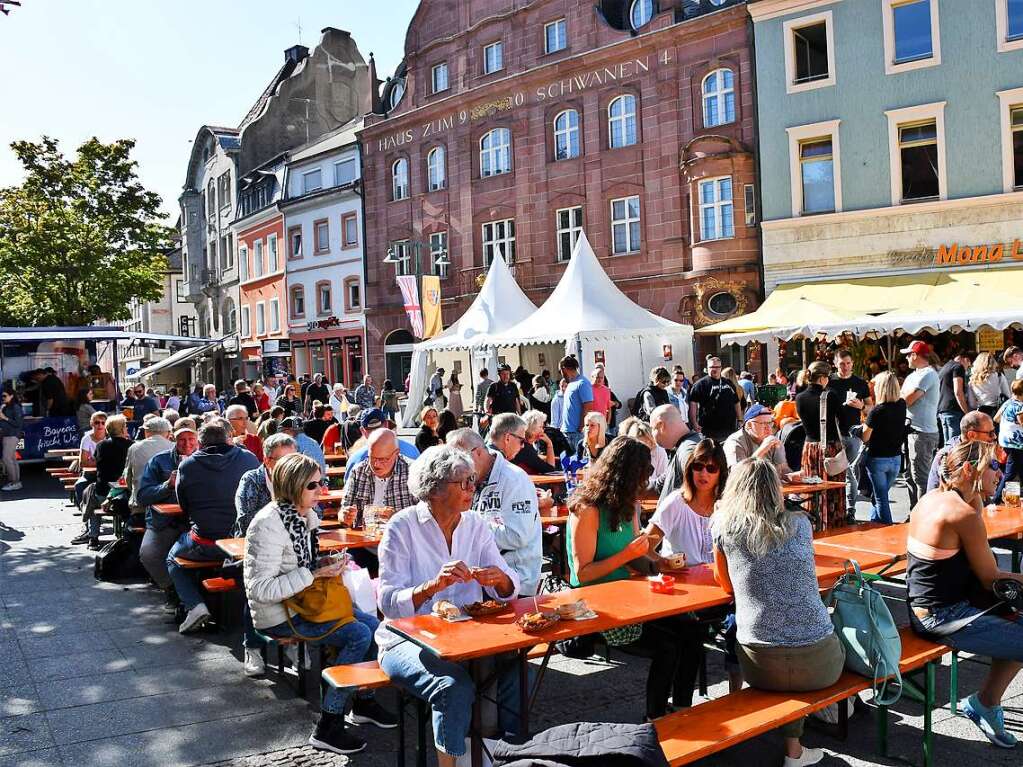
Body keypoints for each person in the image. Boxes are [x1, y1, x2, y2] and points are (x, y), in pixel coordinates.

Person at [376, 445, 520, 767]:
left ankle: (500, 748)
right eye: (465, 482)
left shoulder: (475, 524)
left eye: (473, 480)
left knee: (512, 659)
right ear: (436, 488)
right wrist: (432, 586)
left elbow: (509, 588)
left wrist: (499, 579)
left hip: (463, 635)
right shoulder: (402, 526)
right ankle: (452, 763)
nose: (473, 488)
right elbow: (387, 603)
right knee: (453, 686)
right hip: (405, 639)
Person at [245, 452, 395, 754]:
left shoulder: (303, 516)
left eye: (322, 483)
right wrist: (314, 571)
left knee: (374, 626)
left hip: (307, 601)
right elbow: (260, 588)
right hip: (279, 613)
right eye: (314, 485)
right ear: (294, 485)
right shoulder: (268, 525)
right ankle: (328, 724)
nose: (322, 491)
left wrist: (326, 564)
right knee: (359, 635)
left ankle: (362, 701)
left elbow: (303, 567)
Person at [713, 458, 846, 767]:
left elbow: (726, 587)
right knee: (818, 630)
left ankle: (794, 747)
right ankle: (798, 747)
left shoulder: (725, 531)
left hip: (758, 665)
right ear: (775, 489)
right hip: (820, 665)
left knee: (774, 650)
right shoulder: (801, 524)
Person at [567, 436, 705, 716]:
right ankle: (655, 718)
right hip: (595, 605)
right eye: (641, 478)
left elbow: (639, 559)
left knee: (692, 629)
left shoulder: (625, 505)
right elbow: (583, 575)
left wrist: (662, 564)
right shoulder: (588, 510)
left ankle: (681, 709)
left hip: (629, 597)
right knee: (667, 647)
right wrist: (628, 556)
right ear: (625, 476)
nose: (644, 485)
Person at [907, 440, 1023, 749]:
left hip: (928, 608)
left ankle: (985, 704)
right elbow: (990, 578)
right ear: (970, 469)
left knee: (1019, 621)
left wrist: (976, 496)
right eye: (994, 467)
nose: (999, 475)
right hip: (942, 617)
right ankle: (985, 703)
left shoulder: (933, 498)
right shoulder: (961, 513)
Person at [169, 418, 260, 633]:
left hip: (206, 543)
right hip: (242, 543)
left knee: (172, 558)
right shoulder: (248, 458)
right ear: (229, 439)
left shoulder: (187, 465)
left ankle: (195, 605)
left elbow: (184, 505)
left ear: (200, 443)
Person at [450, 420, 543, 595]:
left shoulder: (514, 479)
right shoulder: (471, 477)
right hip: (478, 581)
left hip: (516, 581)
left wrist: (469, 525)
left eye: (460, 461)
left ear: (477, 453)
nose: (457, 469)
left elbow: (517, 536)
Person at [137, 425, 199, 610]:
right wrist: (166, 485)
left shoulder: (205, 459)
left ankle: (197, 594)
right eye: (182, 439)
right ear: (173, 438)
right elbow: (143, 496)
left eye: (191, 438)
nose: (187, 443)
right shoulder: (159, 461)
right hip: (164, 522)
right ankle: (171, 587)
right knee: (148, 554)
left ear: (198, 439)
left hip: (195, 521)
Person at [647, 438, 728, 567]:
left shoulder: (728, 506)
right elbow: (645, 548)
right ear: (690, 469)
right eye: (698, 466)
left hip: (718, 583)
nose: (703, 473)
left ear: (720, 473)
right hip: (681, 583)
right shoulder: (675, 503)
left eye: (711, 468)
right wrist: (667, 564)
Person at [795, 361, 845, 530]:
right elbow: (843, 421)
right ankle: (832, 524)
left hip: (809, 448)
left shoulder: (799, 398)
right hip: (830, 447)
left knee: (811, 487)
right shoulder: (830, 396)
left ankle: (812, 524)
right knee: (832, 488)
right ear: (823, 378)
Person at [827, 349, 872, 521]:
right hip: (832, 433)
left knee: (851, 473)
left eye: (848, 363)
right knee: (831, 471)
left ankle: (850, 509)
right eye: (841, 364)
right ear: (835, 364)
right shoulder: (829, 381)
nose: (845, 367)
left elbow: (871, 407)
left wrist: (861, 406)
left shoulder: (860, 383)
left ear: (852, 363)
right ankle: (833, 508)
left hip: (853, 432)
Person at [340, 429, 416, 531]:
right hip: (365, 542)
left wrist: (397, 517)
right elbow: (343, 511)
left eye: (383, 459)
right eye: (372, 458)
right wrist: (345, 517)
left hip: (403, 542)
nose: (376, 464)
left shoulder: (413, 471)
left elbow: (426, 514)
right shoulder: (358, 471)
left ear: (396, 453)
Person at [77, 414, 133, 549]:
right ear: (122, 429)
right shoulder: (132, 446)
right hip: (125, 492)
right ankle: (128, 534)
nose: (127, 428)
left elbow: (95, 463)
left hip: (104, 491)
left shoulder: (101, 446)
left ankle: (93, 537)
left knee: (93, 497)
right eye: (125, 426)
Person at [860, 371, 908, 524]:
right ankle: (875, 522)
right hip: (896, 458)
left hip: (878, 458)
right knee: (880, 494)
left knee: (881, 498)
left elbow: (865, 436)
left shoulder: (877, 411)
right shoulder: (901, 405)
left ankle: (887, 528)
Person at [234, 433, 298, 537]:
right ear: (267, 461)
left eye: (294, 460)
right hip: (255, 544)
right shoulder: (251, 480)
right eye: (284, 461)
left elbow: (316, 513)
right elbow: (245, 522)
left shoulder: (297, 479)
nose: (291, 466)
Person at [901, 340, 941, 505]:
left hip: (921, 432)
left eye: (908, 355)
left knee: (921, 477)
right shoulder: (915, 375)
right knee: (910, 475)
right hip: (912, 430)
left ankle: (924, 515)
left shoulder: (928, 374)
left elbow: (907, 399)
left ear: (915, 355)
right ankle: (914, 512)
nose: (906, 359)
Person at [722, 402, 799, 481]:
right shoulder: (735, 442)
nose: (769, 428)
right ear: (749, 425)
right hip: (742, 491)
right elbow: (738, 476)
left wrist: (796, 476)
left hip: (768, 488)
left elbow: (783, 470)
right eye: (764, 424)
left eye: (770, 423)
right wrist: (763, 449)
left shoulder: (773, 441)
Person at [927, 410, 997, 493]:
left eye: (994, 432)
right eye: (990, 433)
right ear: (971, 435)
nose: (994, 436)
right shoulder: (951, 456)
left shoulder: (979, 449)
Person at [343, 409, 419, 481]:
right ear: (386, 425)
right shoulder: (411, 449)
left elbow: (348, 489)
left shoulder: (356, 459)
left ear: (363, 431)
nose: (377, 434)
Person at [651, 404, 702, 502]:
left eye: (652, 428)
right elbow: (659, 486)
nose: (652, 435)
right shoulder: (682, 447)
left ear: (660, 425)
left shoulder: (688, 449)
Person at [124, 416, 173, 517]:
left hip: (141, 507)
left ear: (146, 432)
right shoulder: (174, 447)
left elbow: (128, 477)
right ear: (168, 432)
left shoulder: (135, 448)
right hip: (170, 505)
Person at [689, 356, 742, 442]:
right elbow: (693, 405)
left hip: (729, 429)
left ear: (721, 368)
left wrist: (740, 420)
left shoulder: (728, 383)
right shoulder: (700, 385)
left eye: (717, 367)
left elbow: (736, 402)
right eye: (712, 367)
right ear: (707, 368)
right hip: (709, 430)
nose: (715, 369)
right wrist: (694, 423)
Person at [620, 416, 669, 487]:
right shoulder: (625, 453)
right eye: (641, 443)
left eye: (649, 441)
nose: (647, 445)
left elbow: (663, 478)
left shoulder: (659, 451)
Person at [996, 379, 1023, 503]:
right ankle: (995, 500)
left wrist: (1009, 423)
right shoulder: (1020, 406)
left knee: (1018, 471)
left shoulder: (1008, 403)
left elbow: (996, 418)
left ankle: (1012, 500)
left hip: (1005, 442)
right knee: (1010, 474)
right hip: (1016, 444)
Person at [937, 351, 973, 444]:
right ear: (966, 359)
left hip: (943, 410)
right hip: (954, 409)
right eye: (968, 366)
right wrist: (966, 412)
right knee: (955, 444)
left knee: (947, 444)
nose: (967, 368)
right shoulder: (958, 367)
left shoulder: (945, 367)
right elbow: (958, 391)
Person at [559, 355, 593, 451]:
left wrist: (581, 427)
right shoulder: (571, 383)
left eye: (560, 371)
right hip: (567, 432)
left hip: (576, 433)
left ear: (564, 369)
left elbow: (588, 406)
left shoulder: (582, 383)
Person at [512, 410, 559, 474]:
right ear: (531, 428)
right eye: (540, 427)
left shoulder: (522, 443)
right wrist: (549, 445)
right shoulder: (525, 448)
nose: (543, 430)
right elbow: (550, 470)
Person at [968, 352, 1011, 417]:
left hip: (981, 413)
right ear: (993, 363)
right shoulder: (999, 376)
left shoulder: (972, 380)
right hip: (998, 413)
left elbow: (972, 404)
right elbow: (1007, 396)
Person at [0, 387, 25, 492]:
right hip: (7, 434)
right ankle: (16, 481)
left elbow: (18, 424)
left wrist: (5, 417)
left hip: (12, 435)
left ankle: (14, 481)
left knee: (6, 458)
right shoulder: (6, 407)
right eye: (2, 396)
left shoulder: (15, 407)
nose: (3, 398)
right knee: (12, 458)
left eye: (5, 396)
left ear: (11, 396)